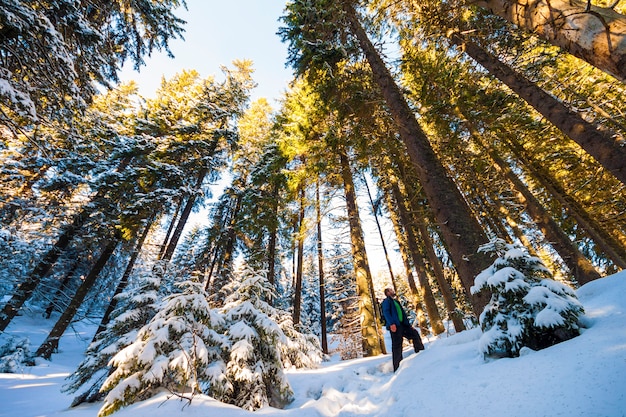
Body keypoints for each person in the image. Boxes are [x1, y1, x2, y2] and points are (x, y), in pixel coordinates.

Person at [381, 287, 424, 371]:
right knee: (397, 345)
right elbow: (386, 312)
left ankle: (420, 353)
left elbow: (402, 314)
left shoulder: (395, 302)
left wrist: (408, 325)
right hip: (395, 326)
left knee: (414, 334)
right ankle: (397, 368)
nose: (393, 291)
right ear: (387, 293)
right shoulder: (386, 302)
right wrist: (391, 324)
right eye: (391, 290)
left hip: (403, 325)